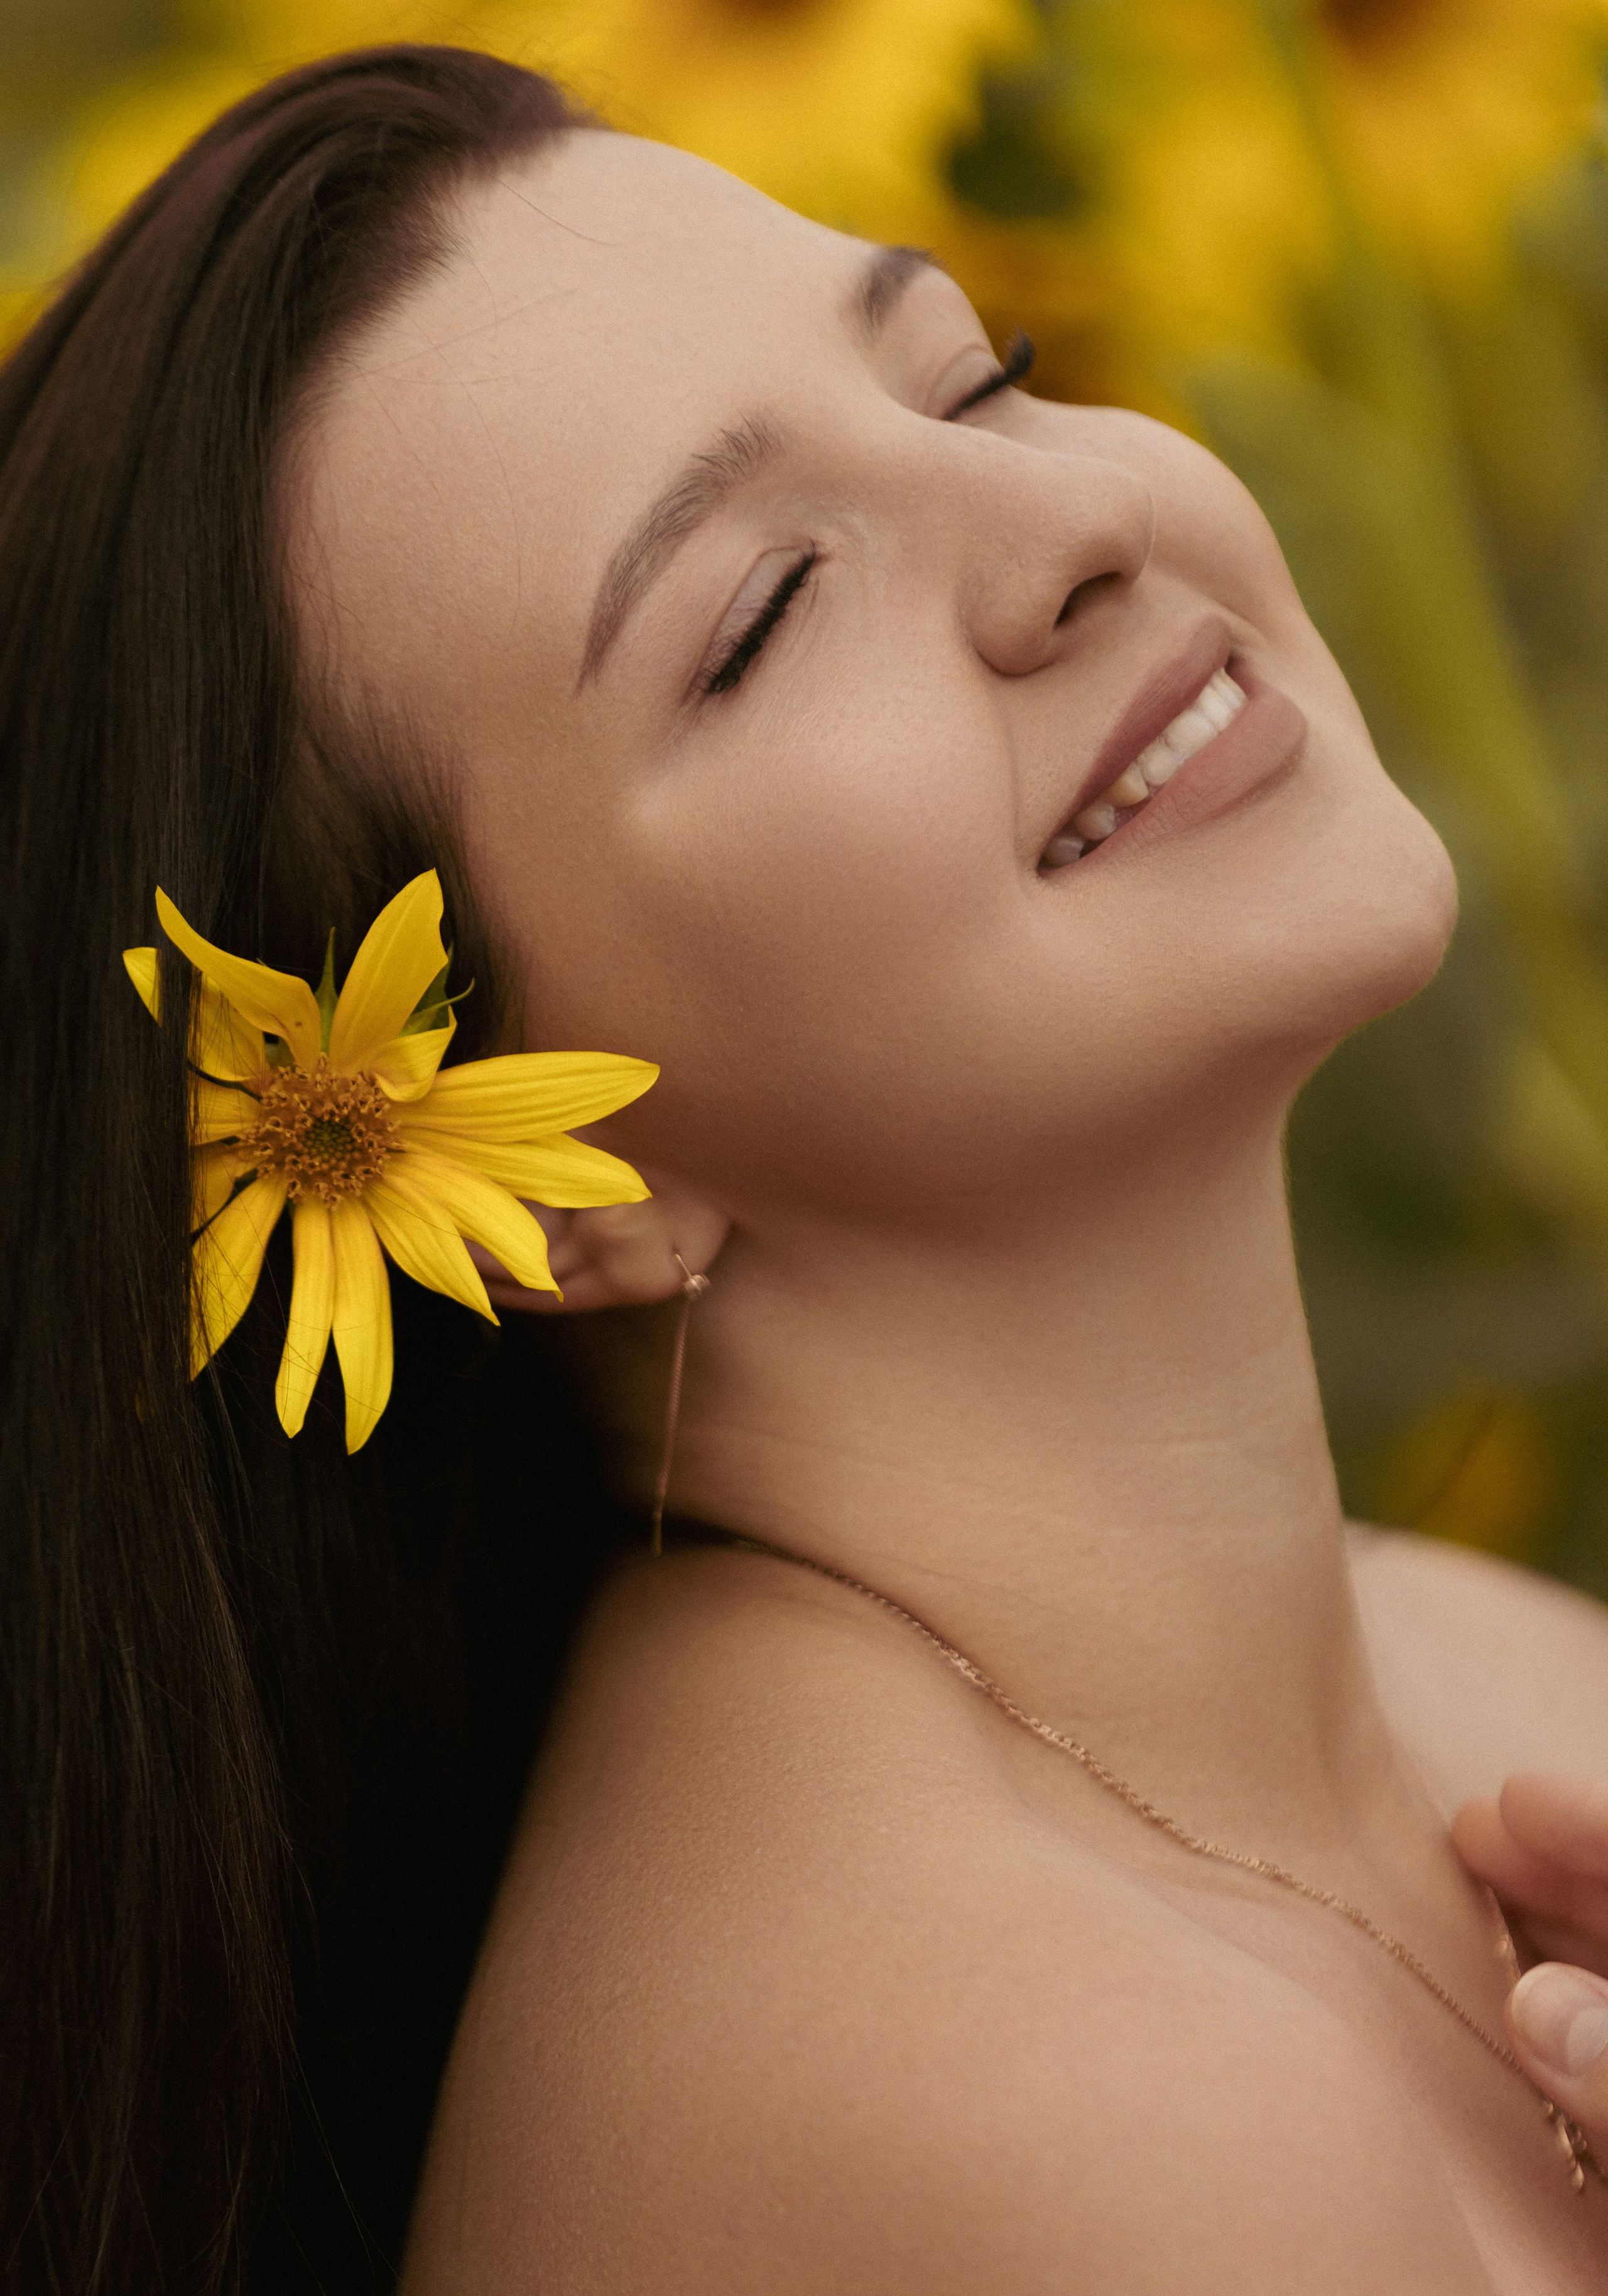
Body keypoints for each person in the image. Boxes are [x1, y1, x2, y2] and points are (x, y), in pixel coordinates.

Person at [3, 42, 1607, 2296]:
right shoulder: (1062, 2117)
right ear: (541, 1185)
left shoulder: (1488, 1682)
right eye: (761, 614)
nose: (1078, 528)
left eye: (977, 378)